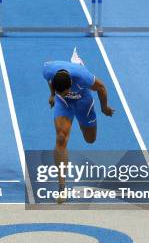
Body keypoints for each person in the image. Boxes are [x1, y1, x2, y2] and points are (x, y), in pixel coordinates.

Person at [43, 52, 114, 201]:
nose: (64, 93)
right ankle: (62, 187)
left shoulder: (83, 77)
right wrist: (53, 95)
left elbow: (101, 88)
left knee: (90, 139)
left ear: (71, 85)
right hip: (64, 104)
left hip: (83, 101)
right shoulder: (49, 70)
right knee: (61, 138)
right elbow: (50, 81)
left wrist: (104, 108)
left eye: (65, 92)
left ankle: (78, 61)